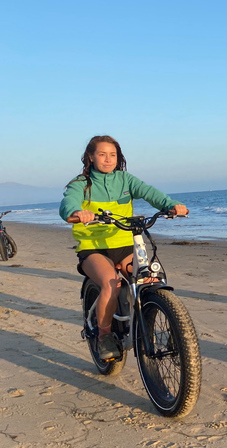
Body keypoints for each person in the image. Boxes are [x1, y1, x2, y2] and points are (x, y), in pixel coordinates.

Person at [59, 135, 188, 361]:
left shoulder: (125, 179)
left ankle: (149, 323)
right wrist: (77, 212)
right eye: (102, 154)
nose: (108, 159)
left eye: (113, 155)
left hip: (125, 244)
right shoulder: (80, 184)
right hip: (94, 248)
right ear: (91, 156)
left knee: (151, 279)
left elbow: (150, 193)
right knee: (112, 283)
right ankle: (104, 336)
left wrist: (171, 206)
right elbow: (68, 202)